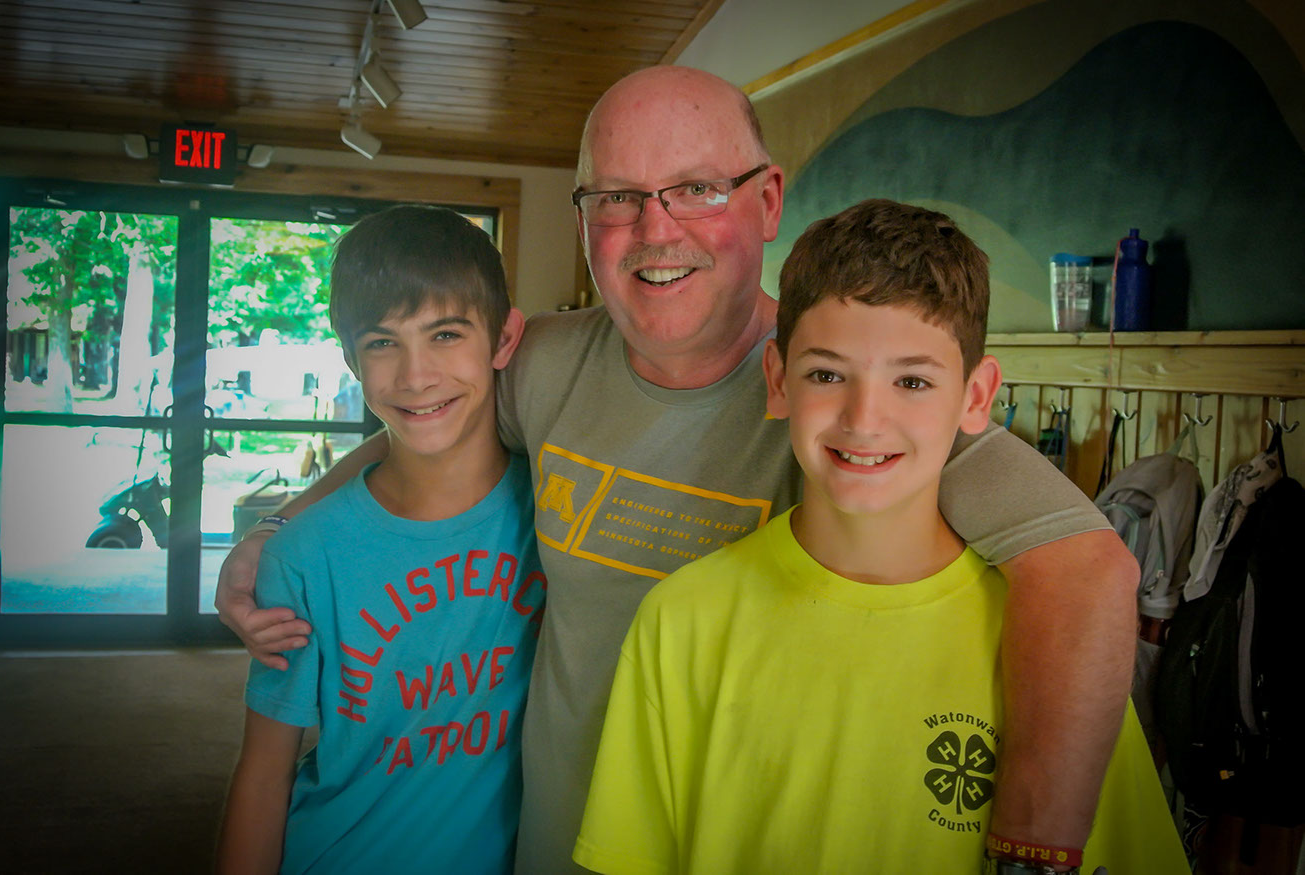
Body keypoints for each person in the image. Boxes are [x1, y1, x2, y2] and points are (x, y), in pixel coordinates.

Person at [216, 67, 1138, 874]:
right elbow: (417, 420)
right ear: (583, 222)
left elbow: (1085, 568)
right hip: (542, 841)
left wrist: (1028, 849)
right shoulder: (538, 360)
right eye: (616, 197)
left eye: (695, 188)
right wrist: (273, 531)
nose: (654, 228)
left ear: (768, 201)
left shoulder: (845, 399)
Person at [573, 198, 1186, 874]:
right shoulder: (683, 619)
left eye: (913, 380)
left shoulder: (1050, 651)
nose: (864, 418)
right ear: (777, 381)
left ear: (976, 398)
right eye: (827, 374)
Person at [215, 206, 544, 874]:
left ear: (503, 339)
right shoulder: (303, 554)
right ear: (350, 358)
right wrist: (274, 525)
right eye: (382, 342)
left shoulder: (558, 512)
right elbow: (263, 775)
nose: (415, 375)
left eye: (446, 333)